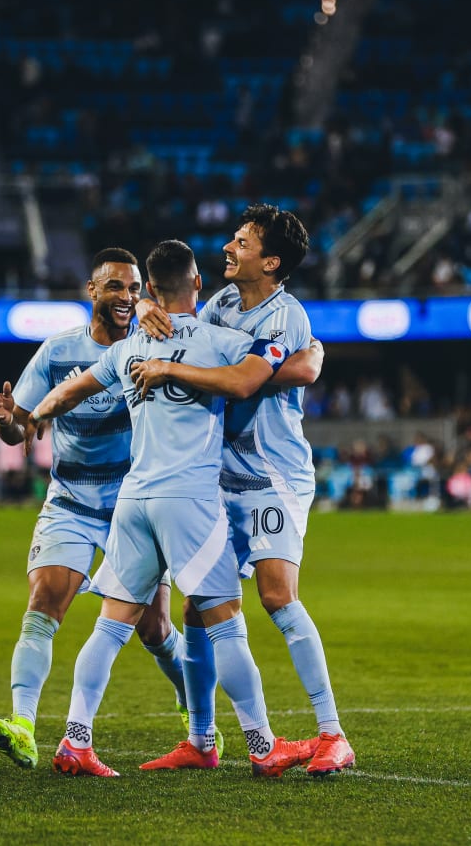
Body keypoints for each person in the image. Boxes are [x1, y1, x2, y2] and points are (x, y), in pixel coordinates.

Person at [27, 239, 317, 777]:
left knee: (110, 625)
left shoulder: (127, 349)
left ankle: (75, 741)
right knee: (227, 625)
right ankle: (262, 746)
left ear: (150, 292)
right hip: (190, 501)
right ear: (198, 286)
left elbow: (69, 392)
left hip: (133, 499)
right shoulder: (224, 341)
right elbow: (279, 365)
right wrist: (315, 352)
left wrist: (33, 417)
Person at [133, 204, 354, 775]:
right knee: (200, 604)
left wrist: (171, 371)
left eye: (242, 241)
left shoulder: (286, 317)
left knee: (278, 596)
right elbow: (191, 334)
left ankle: (332, 733)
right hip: (218, 474)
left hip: (271, 477)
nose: (228, 247)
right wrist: (144, 305)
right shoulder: (226, 303)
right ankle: (202, 739)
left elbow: (243, 379)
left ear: (271, 261)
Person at [0, 248, 204, 769]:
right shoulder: (58, 352)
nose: (126, 297)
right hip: (73, 501)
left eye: (133, 288)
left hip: (133, 507)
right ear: (92, 291)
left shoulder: (153, 346)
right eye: (115, 287)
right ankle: (23, 723)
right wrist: (6, 421)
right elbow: (24, 426)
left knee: (155, 630)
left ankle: (191, 702)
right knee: (44, 602)